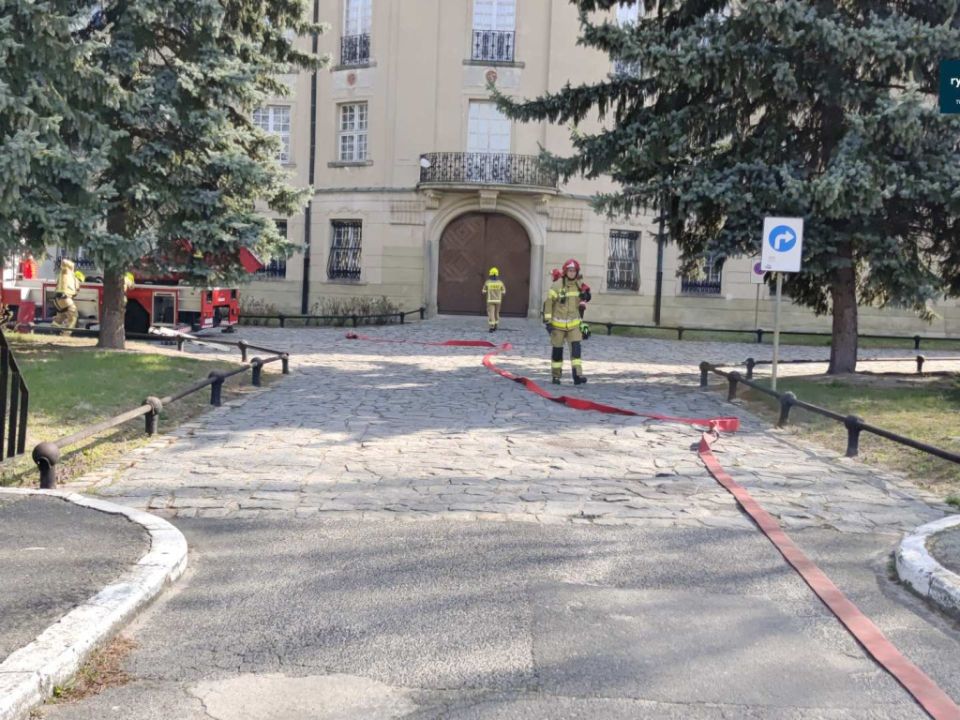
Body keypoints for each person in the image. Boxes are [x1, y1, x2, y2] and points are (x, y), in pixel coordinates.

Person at [543, 258, 591, 385]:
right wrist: (547, 321)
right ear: (565, 271)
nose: (572, 273)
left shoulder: (579, 284)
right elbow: (548, 304)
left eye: (574, 271)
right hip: (557, 325)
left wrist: (586, 296)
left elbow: (586, 296)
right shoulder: (557, 285)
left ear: (577, 272)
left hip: (574, 325)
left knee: (576, 350)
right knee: (557, 351)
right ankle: (556, 376)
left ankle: (577, 375)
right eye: (570, 270)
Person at [51, 259, 81, 329]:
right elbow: (75, 293)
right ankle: (66, 334)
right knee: (73, 317)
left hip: (56, 299)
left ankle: (53, 331)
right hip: (65, 298)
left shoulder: (63, 274)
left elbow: (64, 263)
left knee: (60, 317)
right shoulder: (70, 275)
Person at [481, 267, 506, 332]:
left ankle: (492, 327)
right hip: (498, 300)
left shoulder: (487, 282)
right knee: (496, 313)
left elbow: (483, 291)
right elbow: (503, 292)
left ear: (490, 274)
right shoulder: (500, 283)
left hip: (490, 300)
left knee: (491, 313)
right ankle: (496, 325)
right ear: (497, 274)